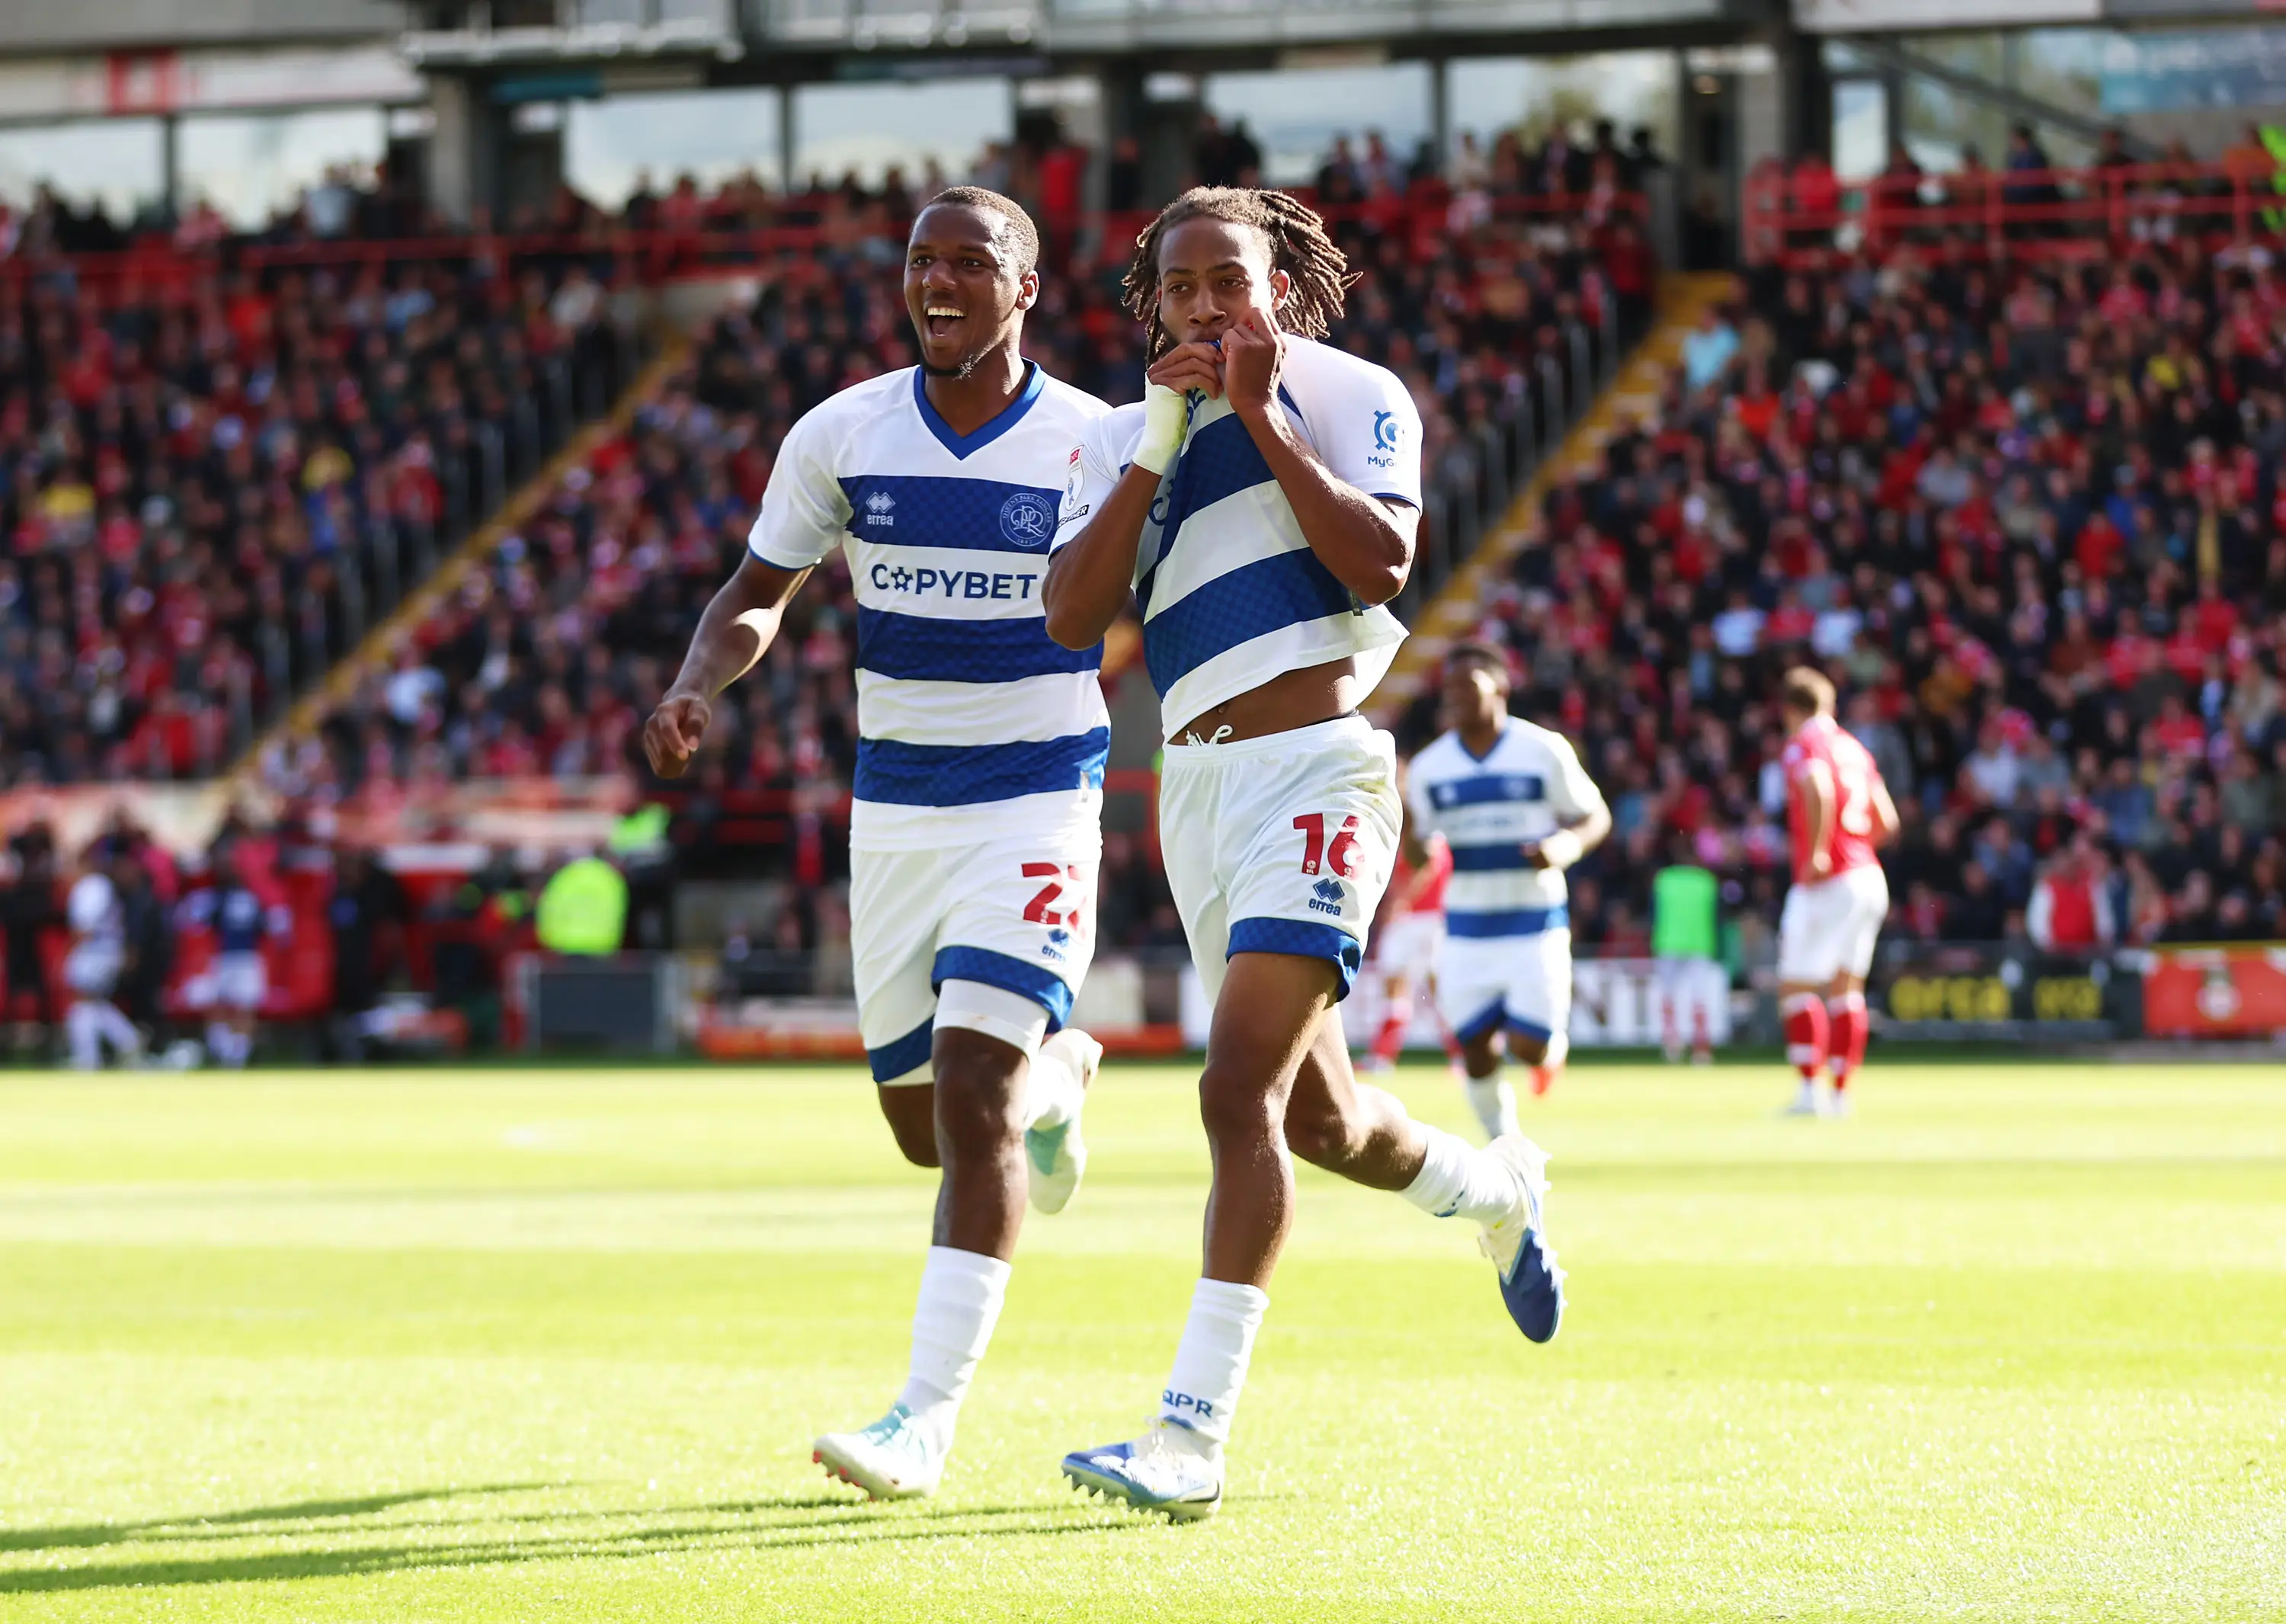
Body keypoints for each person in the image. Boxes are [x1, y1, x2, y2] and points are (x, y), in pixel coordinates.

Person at [1043, 185, 1561, 1522]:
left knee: (1234, 1097)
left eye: (1233, 280)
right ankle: (1495, 1186)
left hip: (1319, 769)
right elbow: (1068, 619)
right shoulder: (1115, 436)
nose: (1209, 306)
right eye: (1182, 288)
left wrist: (1260, 414)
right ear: (1150, 306)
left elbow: (1381, 561)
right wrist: (1161, 440)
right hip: (1195, 793)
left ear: (1284, 284)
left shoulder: (1348, 390)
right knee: (1320, 1121)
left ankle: (1190, 1435)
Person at [642, 187, 1109, 1504]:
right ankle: (1062, 1079)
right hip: (897, 808)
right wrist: (700, 681)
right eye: (924, 262)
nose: (941, 281)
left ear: (1026, 286)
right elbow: (756, 593)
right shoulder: (843, 432)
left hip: (1035, 791)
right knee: (931, 1133)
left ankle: (925, 1417)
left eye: (973, 261)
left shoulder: (1092, 438)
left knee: (970, 1099)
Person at [1404, 644, 1612, 1126]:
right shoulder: (1431, 767)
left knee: (1528, 1046)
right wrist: (1411, 834)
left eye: (1466, 685)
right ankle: (1504, 1145)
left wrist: (1565, 846)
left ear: (1499, 687)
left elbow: (1595, 815)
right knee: (1473, 1045)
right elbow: (1419, 853)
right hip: (1466, 930)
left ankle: (1548, 1053)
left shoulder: (1542, 750)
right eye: (1448, 688)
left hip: (1534, 924)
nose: (1453, 696)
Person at [1775, 668, 1898, 1117]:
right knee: (1847, 990)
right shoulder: (1855, 748)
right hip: (1868, 876)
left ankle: (1810, 1095)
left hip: (1830, 879)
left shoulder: (1804, 745)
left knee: (1795, 986)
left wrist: (1820, 854)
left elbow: (1818, 787)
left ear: (1790, 709)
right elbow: (1887, 820)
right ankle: (1842, 1095)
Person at [1356, 786, 1454, 1078]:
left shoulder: (1423, 834)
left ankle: (1382, 1059)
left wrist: (1401, 902)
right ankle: (1461, 1057)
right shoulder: (1432, 833)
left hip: (1416, 920)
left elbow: (1429, 868)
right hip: (1433, 921)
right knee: (1435, 992)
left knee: (1398, 989)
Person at [62, 842, 142, 1071]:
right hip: (104, 950)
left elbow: (84, 928)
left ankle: (91, 1056)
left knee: (83, 1000)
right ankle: (125, 1041)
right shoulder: (100, 886)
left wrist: (70, 953)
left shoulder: (91, 887)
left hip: (97, 951)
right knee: (91, 1003)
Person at [1651, 844, 1721, 1065]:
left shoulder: (1663, 880)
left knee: (1668, 996)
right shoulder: (1706, 881)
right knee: (1699, 998)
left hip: (1668, 942)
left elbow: (1653, 911)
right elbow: (1718, 915)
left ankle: (1671, 1045)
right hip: (1700, 943)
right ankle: (1701, 1050)